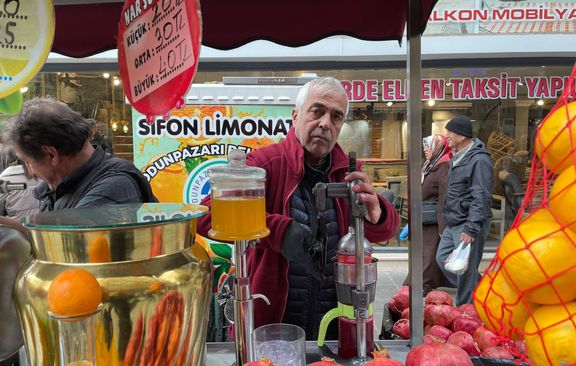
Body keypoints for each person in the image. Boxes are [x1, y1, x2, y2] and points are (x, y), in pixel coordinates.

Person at [196, 77, 399, 340]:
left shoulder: (348, 174)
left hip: (335, 323)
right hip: (271, 324)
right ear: (295, 116)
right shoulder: (265, 163)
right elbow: (208, 215)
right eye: (317, 111)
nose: (325, 123)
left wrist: (377, 213)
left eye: (336, 117)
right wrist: (278, 230)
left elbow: (384, 231)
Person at [0, 98, 156, 230]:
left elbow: (62, 238)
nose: (30, 171)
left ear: (51, 155)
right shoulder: (63, 186)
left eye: (28, 162)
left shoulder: (116, 185)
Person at [436, 116, 493, 306]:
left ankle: (464, 310)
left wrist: (471, 228)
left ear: (461, 134)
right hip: (454, 221)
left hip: (468, 223)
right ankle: (482, 289)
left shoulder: (479, 160)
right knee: (442, 259)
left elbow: (482, 197)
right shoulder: (458, 157)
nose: (447, 136)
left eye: (449, 132)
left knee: (466, 271)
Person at [403, 135, 453, 295]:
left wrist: (442, 224)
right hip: (424, 217)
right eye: (424, 146)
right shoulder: (431, 165)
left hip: (433, 219)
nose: (425, 149)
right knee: (425, 253)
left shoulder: (443, 165)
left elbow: (444, 196)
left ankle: (423, 284)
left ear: (438, 147)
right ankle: (419, 282)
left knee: (429, 254)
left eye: (428, 146)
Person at [0, 144, 40, 220]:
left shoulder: (3, 181)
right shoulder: (39, 175)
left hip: (15, 227)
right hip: (40, 224)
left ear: (5, 160)